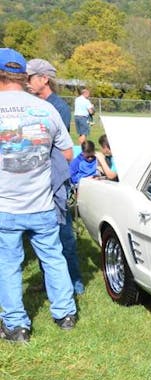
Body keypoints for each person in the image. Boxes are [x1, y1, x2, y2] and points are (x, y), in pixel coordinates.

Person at [0, 48, 78, 342]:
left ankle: (16, 325)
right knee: (53, 257)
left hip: (5, 206)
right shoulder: (46, 109)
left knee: (8, 264)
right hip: (43, 202)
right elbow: (67, 153)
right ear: (23, 76)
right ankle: (65, 314)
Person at [27, 57, 84, 295]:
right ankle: (49, 281)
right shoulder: (33, 103)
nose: (26, 82)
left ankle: (74, 282)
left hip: (55, 181)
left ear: (44, 79)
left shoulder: (57, 106)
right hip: (37, 179)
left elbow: (64, 151)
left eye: (29, 78)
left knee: (63, 234)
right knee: (41, 236)